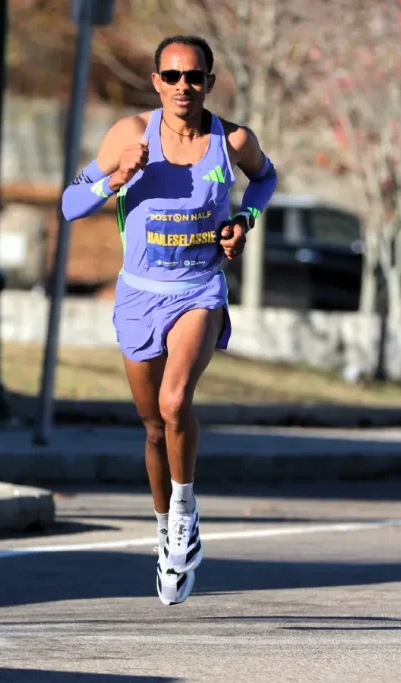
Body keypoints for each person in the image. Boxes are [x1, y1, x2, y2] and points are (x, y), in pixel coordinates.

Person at [60, 35, 278, 605]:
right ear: (156, 81)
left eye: (195, 77)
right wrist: (114, 180)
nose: (185, 86)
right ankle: (165, 528)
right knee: (153, 426)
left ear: (210, 81)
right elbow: (69, 203)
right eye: (173, 76)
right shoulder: (130, 135)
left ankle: (184, 511)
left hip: (197, 292)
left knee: (175, 403)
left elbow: (266, 179)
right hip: (138, 295)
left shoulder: (231, 141)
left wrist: (244, 219)